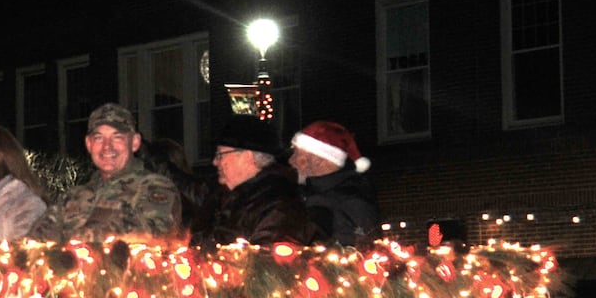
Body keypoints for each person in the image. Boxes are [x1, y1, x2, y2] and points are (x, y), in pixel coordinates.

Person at [31, 103, 181, 241]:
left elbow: (148, 237)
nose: (107, 147)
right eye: (99, 138)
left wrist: (70, 242)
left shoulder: (156, 187)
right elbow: (35, 242)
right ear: (89, 144)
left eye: (117, 137)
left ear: (135, 142)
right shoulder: (73, 197)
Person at [192, 114, 324, 247]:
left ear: (247, 157)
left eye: (220, 154)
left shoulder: (278, 207)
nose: (215, 162)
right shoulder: (227, 196)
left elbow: (264, 263)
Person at [288, 120, 381, 247]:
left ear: (318, 159)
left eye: (298, 154)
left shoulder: (351, 201)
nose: (292, 160)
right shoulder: (304, 195)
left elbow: (364, 255)